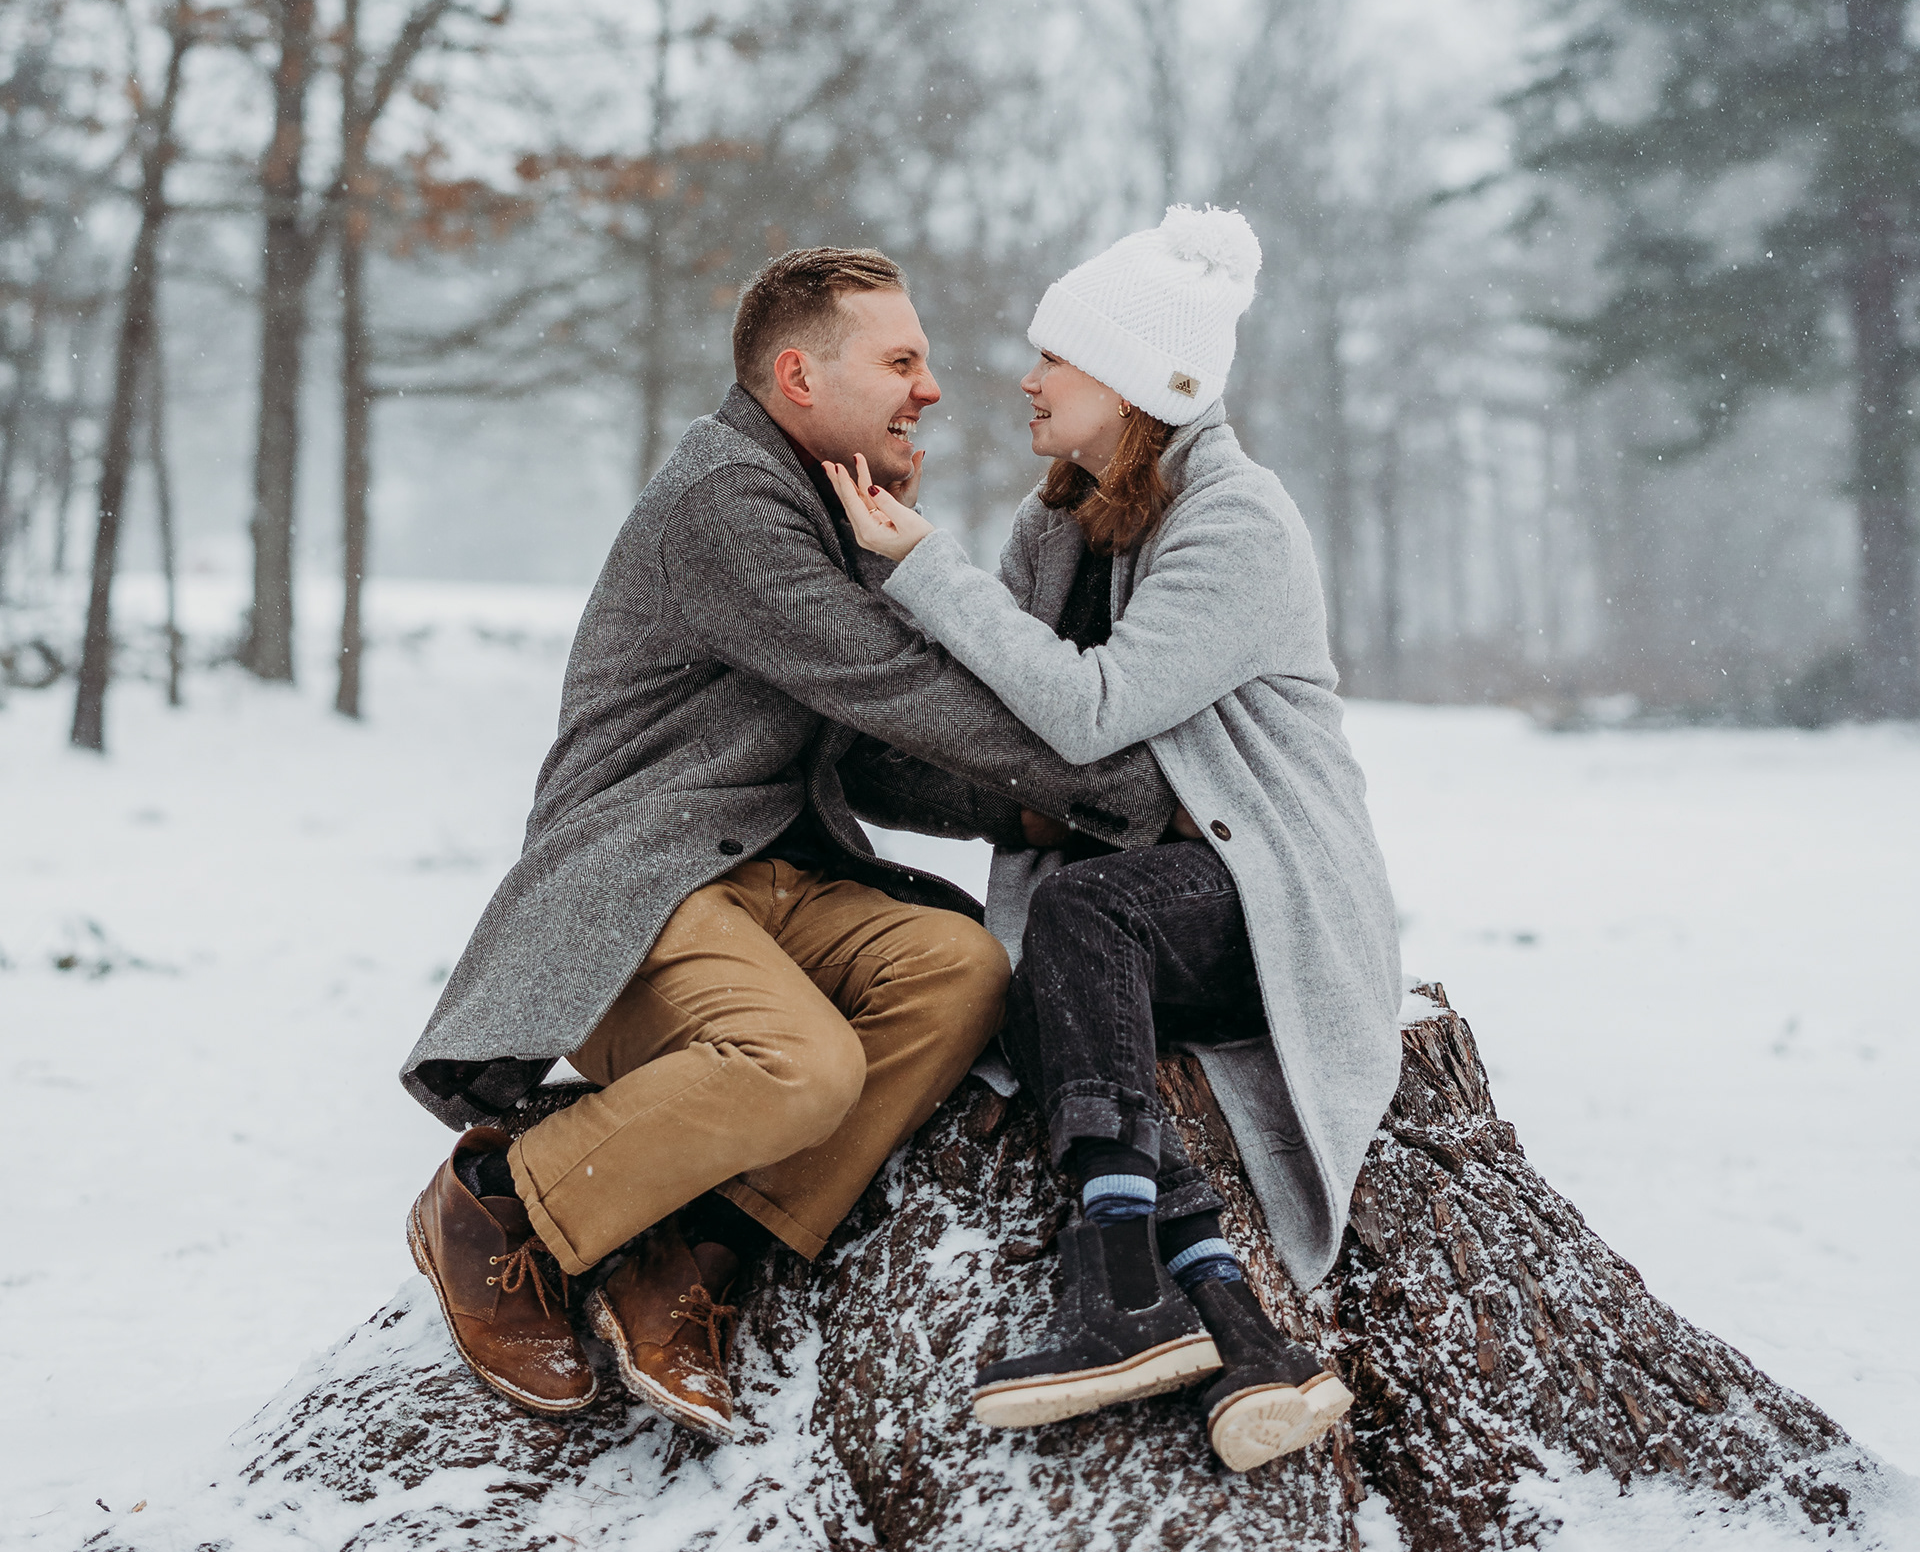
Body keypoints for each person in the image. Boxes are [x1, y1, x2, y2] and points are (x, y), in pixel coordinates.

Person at [401, 245, 1176, 1441]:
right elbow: (890, 681)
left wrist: (1028, 811)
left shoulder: (817, 508)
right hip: (644, 889)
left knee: (961, 972)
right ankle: (501, 1204)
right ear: (800, 375)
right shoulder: (728, 501)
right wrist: (1118, 782)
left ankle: (701, 1257)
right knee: (804, 1066)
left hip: (771, 876)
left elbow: (866, 749)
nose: (932, 389)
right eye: (902, 362)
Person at [826, 204, 1404, 1473]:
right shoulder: (1059, 528)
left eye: (1057, 358)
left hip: (1275, 901)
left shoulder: (1236, 522)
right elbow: (995, 710)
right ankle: (1232, 1330)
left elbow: (1089, 714)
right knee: (1026, 975)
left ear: (1142, 383)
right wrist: (879, 583)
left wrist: (928, 567)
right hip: (1131, 901)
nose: (1026, 378)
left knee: (1083, 920)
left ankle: (1112, 1291)